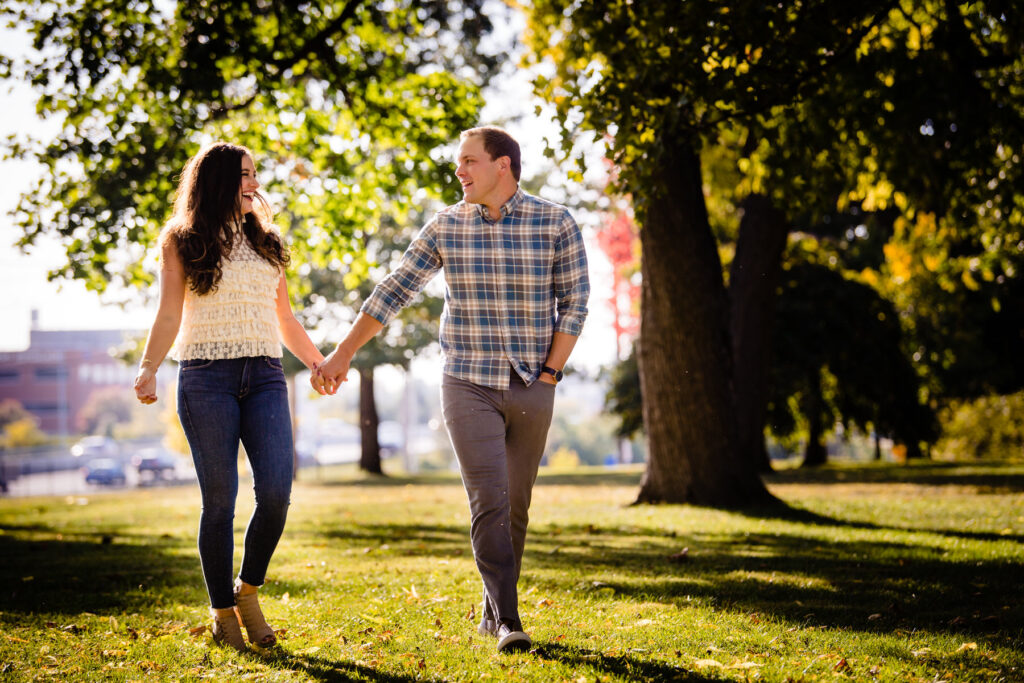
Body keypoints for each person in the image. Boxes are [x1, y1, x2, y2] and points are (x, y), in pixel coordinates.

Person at [313, 126, 590, 653]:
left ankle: (493, 606)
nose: (458, 172)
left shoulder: (555, 221)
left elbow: (575, 302)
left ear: (502, 165)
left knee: (516, 506)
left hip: (534, 381)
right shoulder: (447, 224)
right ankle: (510, 620)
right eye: (458, 163)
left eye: (469, 162)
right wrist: (342, 352)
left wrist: (551, 374)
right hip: (467, 381)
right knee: (489, 498)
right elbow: (395, 289)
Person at [133, 142, 324, 652]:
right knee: (219, 504)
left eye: (255, 174)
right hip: (205, 379)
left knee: (278, 494)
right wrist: (149, 367)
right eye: (244, 174)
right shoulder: (182, 240)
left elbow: (284, 318)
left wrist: (318, 362)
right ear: (217, 180)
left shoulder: (267, 240)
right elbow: (169, 312)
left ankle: (248, 591)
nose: (254, 183)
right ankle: (223, 613)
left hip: (263, 376)